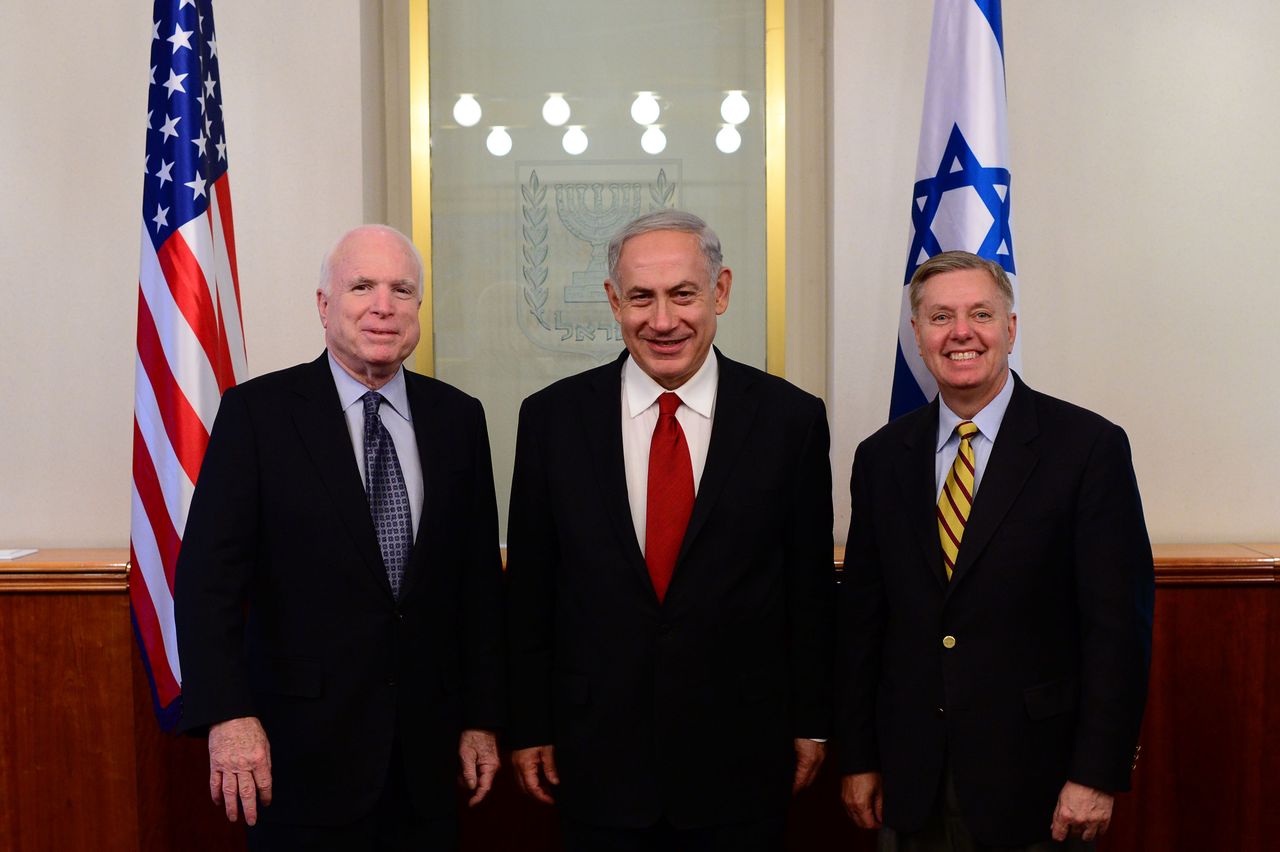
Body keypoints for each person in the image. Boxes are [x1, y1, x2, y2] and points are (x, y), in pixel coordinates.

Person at [505, 210, 835, 851]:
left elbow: (809, 590)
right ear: (612, 301)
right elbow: (531, 596)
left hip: (742, 757)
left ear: (721, 291)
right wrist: (529, 724)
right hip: (594, 758)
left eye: (683, 294)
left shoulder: (790, 421)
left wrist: (814, 723)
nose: (662, 321)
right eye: (641, 298)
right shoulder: (551, 420)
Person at [175, 224, 505, 851]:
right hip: (297, 755)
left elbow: (477, 587)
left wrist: (481, 718)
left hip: (428, 761)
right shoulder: (258, 414)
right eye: (362, 287)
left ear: (417, 310)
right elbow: (207, 581)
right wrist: (228, 715)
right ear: (324, 305)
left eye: (401, 290)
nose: (383, 306)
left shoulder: (459, 418)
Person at [838, 251, 1154, 850]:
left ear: (1010, 328)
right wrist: (859, 758)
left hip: (1038, 781)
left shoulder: (1088, 449)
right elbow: (863, 624)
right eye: (940, 317)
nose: (961, 332)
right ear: (918, 335)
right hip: (911, 780)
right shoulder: (881, 457)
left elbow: (1118, 632)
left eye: (980, 313)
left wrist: (1095, 773)